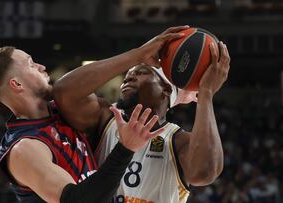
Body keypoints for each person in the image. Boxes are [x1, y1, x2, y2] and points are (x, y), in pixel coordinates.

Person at [53, 25, 230, 203]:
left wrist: (206, 92)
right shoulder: (105, 118)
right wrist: (138, 54)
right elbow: (64, 92)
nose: (128, 77)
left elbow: (205, 172)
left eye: (141, 73)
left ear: (166, 90)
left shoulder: (177, 141)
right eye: (128, 74)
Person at [0, 45, 167, 203]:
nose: (42, 66)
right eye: (31, 64)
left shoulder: (60, 111)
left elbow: (111, 105)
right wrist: (125, 148)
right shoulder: (24, 148)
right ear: (17, 84)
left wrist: (175, 95)